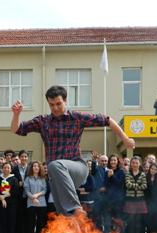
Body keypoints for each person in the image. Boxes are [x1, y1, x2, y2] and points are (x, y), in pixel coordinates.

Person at [10, 85, 134, 218]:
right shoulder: (43, 121)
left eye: (58, 104)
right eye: (51, 105)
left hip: (77, 167)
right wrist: (16, 115)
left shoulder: (76, 117)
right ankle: (77, 229)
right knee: (64, 217)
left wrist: (125, 139)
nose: (55, 108)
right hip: (57, 176)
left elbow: (107, 120)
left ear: (65, 100)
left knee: (54, 165)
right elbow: (17, 129)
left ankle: (75, 206)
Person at [24, 161, 47, 233]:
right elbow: (26, 189)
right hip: (31, 203)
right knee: (31, 223)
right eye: (34, 166)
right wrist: (33, 198)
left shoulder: (43, 178)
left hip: (41, 203)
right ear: (32, 168)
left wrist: (36, 195)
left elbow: (44, 190)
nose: (36, 167)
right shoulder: (28, 178)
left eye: (38, 166)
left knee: (40, 223)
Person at [124, 157, 147, 233]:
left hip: (140, 200)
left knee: (138, 222)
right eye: (133, 163)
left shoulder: (142, 174)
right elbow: (127, 184)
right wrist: (138, 185)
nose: (134, 164)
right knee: (131, 221)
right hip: (130, 200)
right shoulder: (128, 173)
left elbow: (144, 186)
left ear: (139, 164)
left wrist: (133, 186)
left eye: (136, 163)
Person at [0, 162, 19, 233]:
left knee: (11, 222)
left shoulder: (14, 179)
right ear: (2, 169)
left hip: (12, 204)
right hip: (1, 204)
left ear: (11, 169)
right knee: (3, 222)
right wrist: (1, 199)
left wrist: (4, 197)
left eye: (8, 168)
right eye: (4, 168)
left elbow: (15, 191)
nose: (6, 169)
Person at [106, 154, 126, 233]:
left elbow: (119, 184)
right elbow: (106, 185)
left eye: (115, 160)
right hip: (110, 200)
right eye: (111, 160)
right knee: (110, 221)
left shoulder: (121, 171)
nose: (113, 162)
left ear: (118, 162)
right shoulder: (108, 171)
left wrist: (112, 176)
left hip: (118, 200)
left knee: (118, 220)